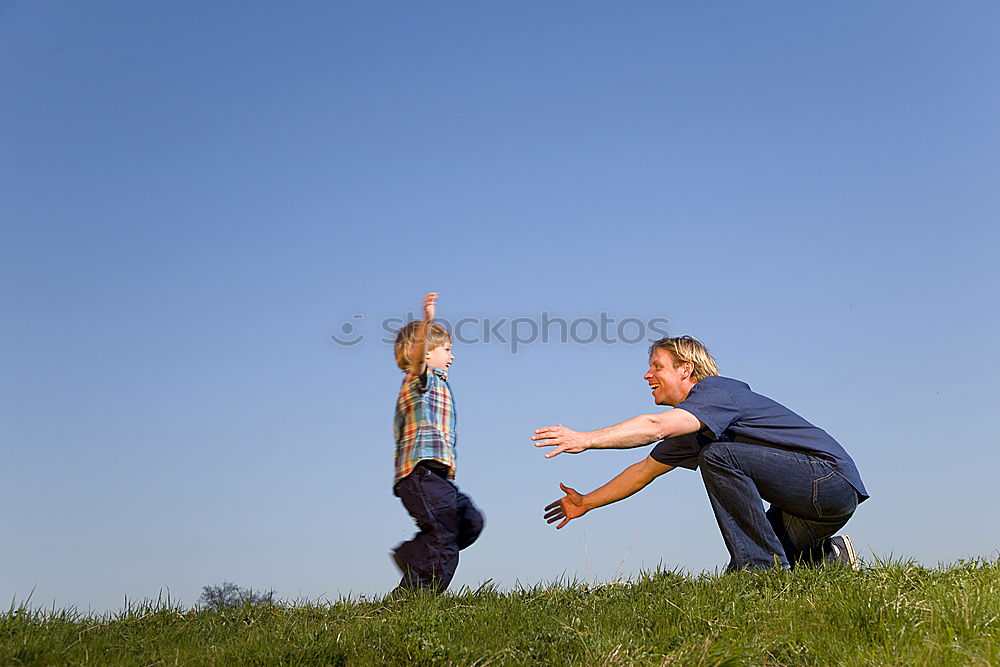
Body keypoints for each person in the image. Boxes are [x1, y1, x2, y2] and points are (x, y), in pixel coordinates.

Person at [533, 335, 868, 571]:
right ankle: (828, 556)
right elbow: (642, 472)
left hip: (827, 481)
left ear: (686, 369)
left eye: (657, 367)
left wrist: (586, 439)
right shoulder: (692, 428)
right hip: (812, 508)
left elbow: (655, 427)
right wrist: (586, 502)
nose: (647, 375)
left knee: (718, 458)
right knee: (737, 576)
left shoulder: (716, 393)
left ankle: (762, 570)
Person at [389, 292, 484, 592]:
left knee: (470, 522)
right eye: (446, 349)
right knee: (444, 538)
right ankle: (416, 599)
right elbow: (416, 358)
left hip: (436, 477)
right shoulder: (420, 380)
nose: (452, 356)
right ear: (426, 354)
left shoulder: (439, 385)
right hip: (419, 473)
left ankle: (412, 554)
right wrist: (427, 321)